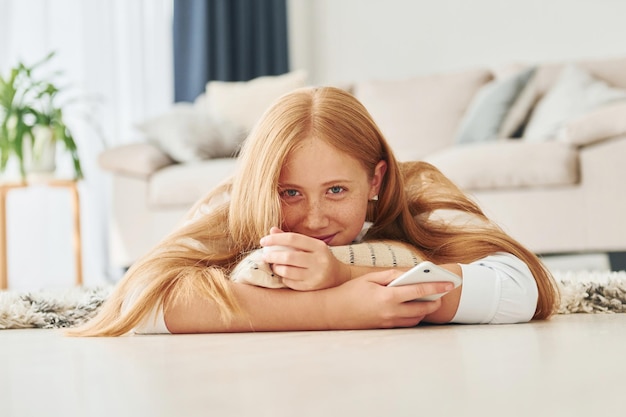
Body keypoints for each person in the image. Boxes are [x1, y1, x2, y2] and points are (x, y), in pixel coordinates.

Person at [70, 86, 559, 337]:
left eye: (337, 190)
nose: (315, 219)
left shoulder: (418, 196)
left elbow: (522, 289)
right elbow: (138, 299)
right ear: (263, 186)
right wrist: (330, 309)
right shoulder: (233, 205)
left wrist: (340, 271)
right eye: (290, 193)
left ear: (376, 180)